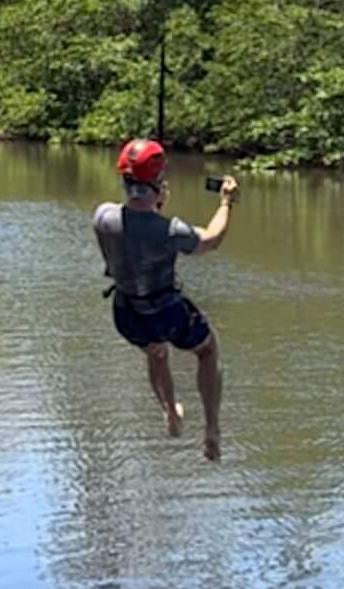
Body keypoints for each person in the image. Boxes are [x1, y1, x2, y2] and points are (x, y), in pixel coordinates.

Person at [93, 138, 238, 461]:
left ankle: (170, 410)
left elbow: (133, 229)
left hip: (127, 314)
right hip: (167, 311)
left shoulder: (102, 217)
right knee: (207, 349)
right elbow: (210, 240)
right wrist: (226, 203)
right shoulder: (170, 230)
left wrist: (153, 203)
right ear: (159, 185)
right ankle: (212, 428)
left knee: (155, 352)